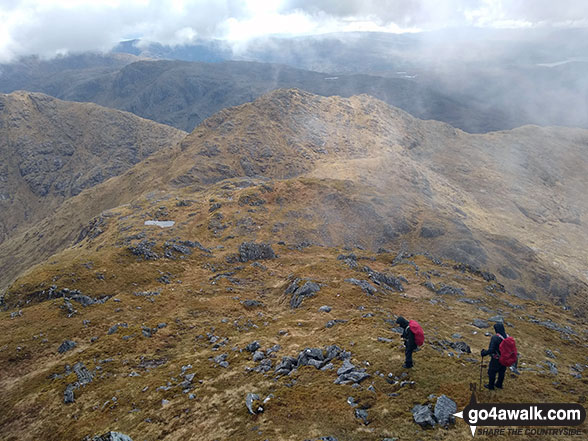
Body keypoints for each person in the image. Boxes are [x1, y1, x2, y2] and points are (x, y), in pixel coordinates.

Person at [481, 322, 508, 390]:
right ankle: (499, 384)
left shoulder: (495, 338)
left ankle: (491, 386)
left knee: (492, 372)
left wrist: (484, 353)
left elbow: (491, 350)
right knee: (502, 372)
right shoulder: (507, 336)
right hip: (505, 358)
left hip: (496, 358)